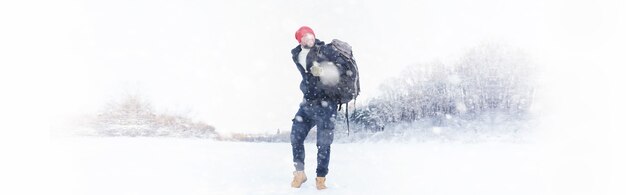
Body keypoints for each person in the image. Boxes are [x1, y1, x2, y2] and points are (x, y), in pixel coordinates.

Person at [289, 26, 344, 190]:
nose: (310, 38)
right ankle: (300, 173)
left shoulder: (324, 50)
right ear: (300, 40)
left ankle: (321, 179)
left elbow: (342, 67)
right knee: (295, 136)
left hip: (327, 104)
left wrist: (322, 71)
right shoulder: (296, 54)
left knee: (323, 143)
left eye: (311, 35)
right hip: (307, 103)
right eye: (305, 36)